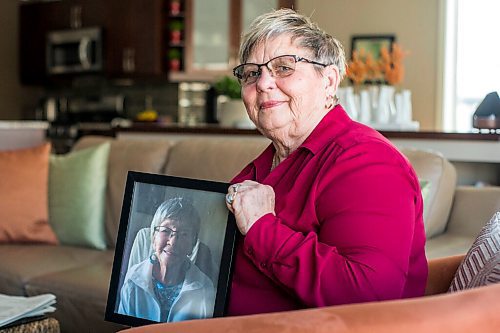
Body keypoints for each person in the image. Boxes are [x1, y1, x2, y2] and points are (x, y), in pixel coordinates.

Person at [225, 8, 428, 316]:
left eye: (283, 68)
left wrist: (262, 227)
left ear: (329, 81)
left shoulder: (368, 162)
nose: (264, 83)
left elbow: (369, 296)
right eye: (252, 73)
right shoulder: (261, 167)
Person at [118, 197, 215, 322]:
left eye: (184, 233)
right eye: (165, 230)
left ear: (193, 244)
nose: (173, 241)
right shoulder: (133, 280)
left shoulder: (205, 289)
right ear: (153, 238)